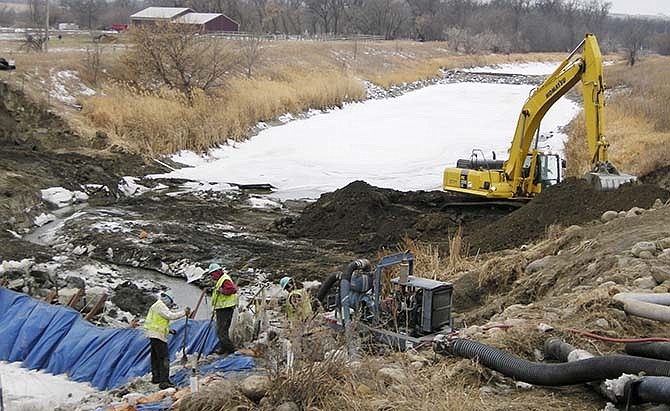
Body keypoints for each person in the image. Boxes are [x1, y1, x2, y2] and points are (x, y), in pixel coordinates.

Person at [144, 290, 189, 389]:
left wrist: (169, 330)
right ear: (167, 299)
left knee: (155, 358)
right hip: (158, 335)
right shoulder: (161, 306)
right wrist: (184, 313)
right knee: (164, 358)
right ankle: (164, 381)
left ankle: (156, 377)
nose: (170, 303)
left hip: (152, 334)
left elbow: (158, 321)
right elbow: (170, 316)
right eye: (170, 301)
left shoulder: (156, 305)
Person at [207, 263, 238, 355]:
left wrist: (222, 291)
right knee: (221, 330)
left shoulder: (224, 279)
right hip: (222, 308)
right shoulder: (221, 279)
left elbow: (232, 289)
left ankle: (231, 350)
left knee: (222, 331)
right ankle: (224, 348)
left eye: (212, 275)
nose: (212, 277)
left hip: (225, 309)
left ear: (217, 272)